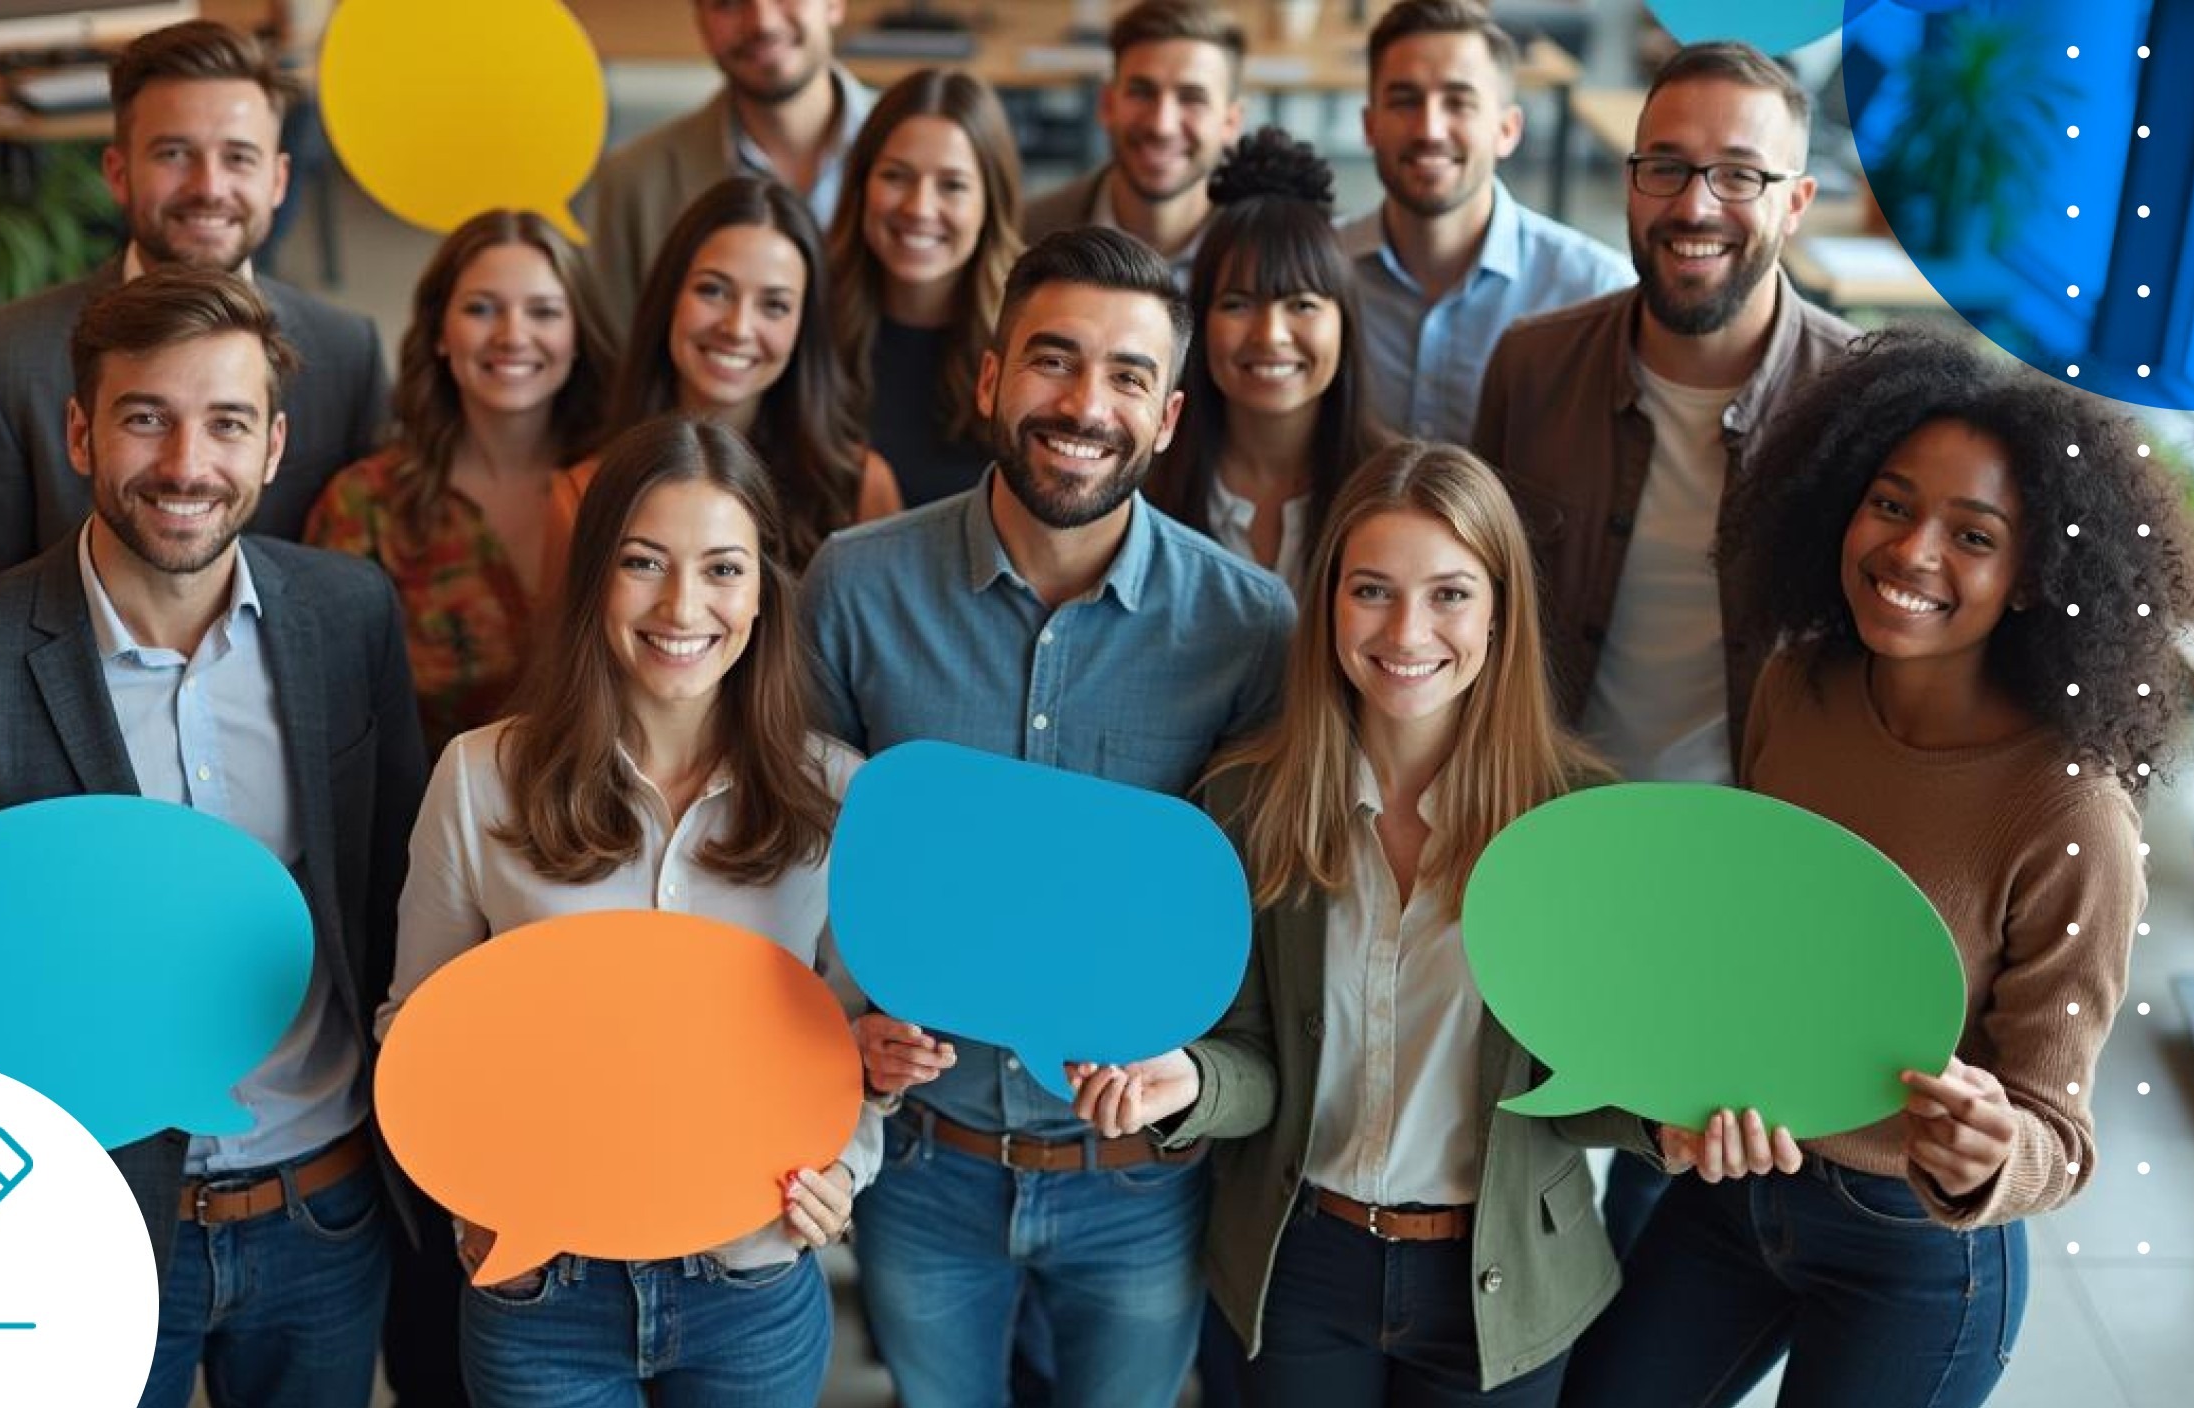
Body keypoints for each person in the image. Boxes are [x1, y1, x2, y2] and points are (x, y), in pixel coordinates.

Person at [1561, 329, 2194, 1408]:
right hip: (1740, 1191)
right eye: (1892, 503)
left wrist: (1994, 1149)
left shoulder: (2070, 809)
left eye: (1973, 533)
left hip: (1914, 1249)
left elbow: (2057, 1131)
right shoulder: (1794, 685)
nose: (1911, 553)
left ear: (2031, 575)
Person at [0, 268, 426, 1408]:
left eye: (224, 423)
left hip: (325, 1208)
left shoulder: (350, 616)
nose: (183, 465)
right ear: (79, 432)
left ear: (273, 447)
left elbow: (395, 894)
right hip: (88, 1227)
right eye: (144, 417)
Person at [806, 226, 1296, 1408]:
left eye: (1128, 375)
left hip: (1136, 1182)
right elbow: (791, 861)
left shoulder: (1249, 627)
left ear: (1169, 416)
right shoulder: (853, 588)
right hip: (926, 1158)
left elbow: (1265, 916)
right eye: (1051, 360)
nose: (1085, 403)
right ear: (988, 378)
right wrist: (841, 1024)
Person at [1073, 441, 1669, 1404]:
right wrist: (1187, 1082)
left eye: (1449, 594)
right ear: (1329, 607)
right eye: (1372, 591)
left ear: (1501, 611)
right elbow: (1253, 1059)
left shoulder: (1582, 821)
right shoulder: (1244, 803)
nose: (1407, 629)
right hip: (1299, 1264)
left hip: (1504, 1274)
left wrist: (1665, 1118)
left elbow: (1579, 1086)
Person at [380, 414, 879, 1408]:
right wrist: (470, 1204)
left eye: (723, 569)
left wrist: (846, 1168)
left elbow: (860, 1034)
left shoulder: (840, 796)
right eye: (643, 562)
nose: (683, 604)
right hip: (541, 1286)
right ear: (594, 578)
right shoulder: (480, 779)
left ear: (763, 594)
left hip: (748, 1276)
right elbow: (415, 1025)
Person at [1467, 42, 1855, 1249]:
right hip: (1545, 849)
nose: (1695, 205)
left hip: (1740, 890)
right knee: (1511, 1176)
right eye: (1667, 168)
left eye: (1740, 176)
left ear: (1796, 200)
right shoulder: (1534, 365)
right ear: (1628, 181)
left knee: (1673, 1207)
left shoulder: (1859, 404)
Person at [0, 18, 389, 600]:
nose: (208, 186)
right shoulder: (0, 361)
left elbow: (363, 591)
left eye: (239, 158)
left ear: (277, 181)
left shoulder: (348, 352)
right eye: (175, 153)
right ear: (119, 174)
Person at [305, 209, 604, 758]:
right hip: (424, 821)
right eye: (481, 309)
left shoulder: (625, 491)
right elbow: (328, 711)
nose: (513, 336)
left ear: (578, 334)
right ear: (441, 332)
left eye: (543, 311)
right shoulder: (365, 506)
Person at [551, 177, 899, 579]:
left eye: (774, 305)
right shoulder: (584, 494)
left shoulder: (860, 488)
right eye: (713, 291)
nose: (737, 327)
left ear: (804, 328)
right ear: (669, 298)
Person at [1340, 0, 1631, 444]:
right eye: (1404, 101)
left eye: (1459, 102)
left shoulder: (1597, 291)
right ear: (1369, 125)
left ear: (1507, 130)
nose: (1430, 129)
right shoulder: (1320, 270)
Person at [574, 0, 875, 379]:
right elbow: (612, 370)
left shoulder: (930, 166)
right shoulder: (630, 184)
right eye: (728, 3)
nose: (762, 22)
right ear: (698, 19)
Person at [1148, 128, 1383, 580]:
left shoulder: (1392, 486)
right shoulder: (1147, 485)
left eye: (1302, 305)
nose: (1271, 335)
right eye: (1237, 304)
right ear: (1198, 321)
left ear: (1344, 322)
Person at [828, 68, 1027, 509]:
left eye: (952, 185)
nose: (919, 207)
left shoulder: (1029, 347)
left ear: (990, 203)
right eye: (896, 176)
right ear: (861, 187)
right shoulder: (803, 324)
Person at [1024, 0, 1246, 286]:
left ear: (1231, 122)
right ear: (1107, 104)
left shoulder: (1270, 248)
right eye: (1141, 92)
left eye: (1192, 98)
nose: (1161, 126)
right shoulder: (1025, 237)